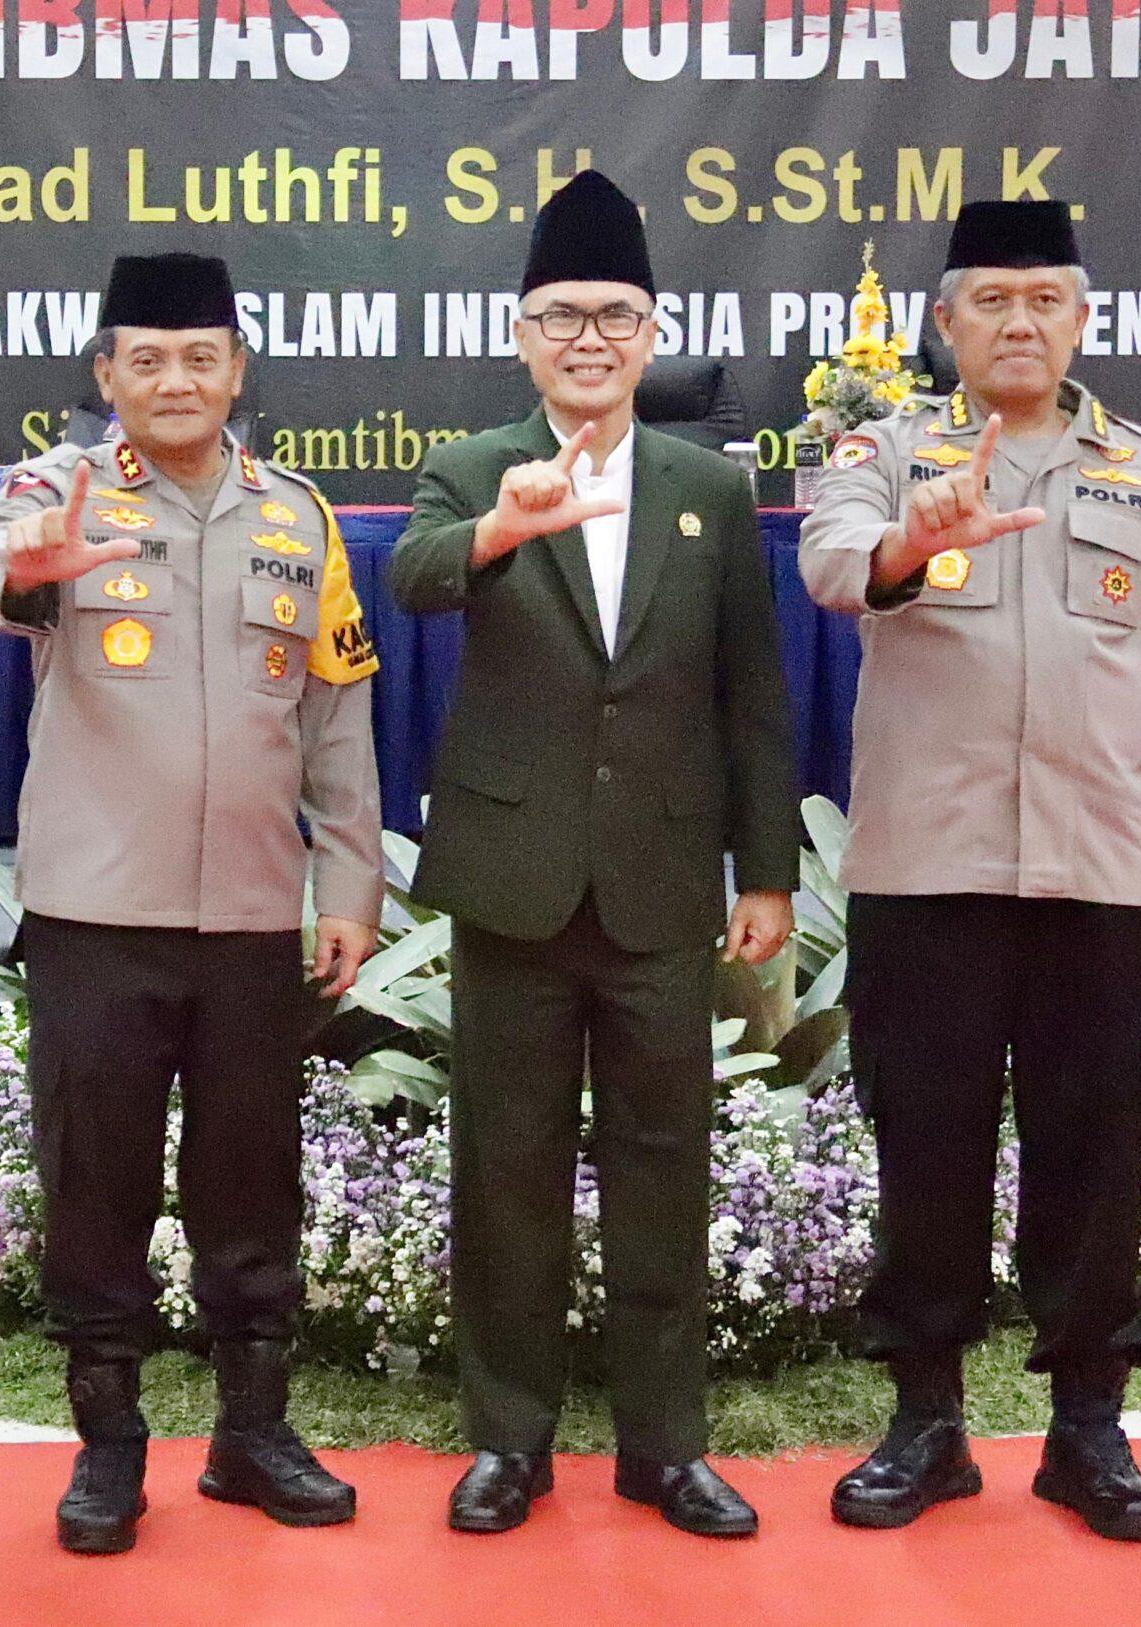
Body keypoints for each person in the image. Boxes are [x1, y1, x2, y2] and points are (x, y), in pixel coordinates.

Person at [797, 199, 1141, 1543]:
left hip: (1095, 878)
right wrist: (913, 542)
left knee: (1095, 1154)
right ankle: (925, 1421)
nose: (1019, 322)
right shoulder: (882, 450)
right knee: (926, 1147)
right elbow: (828, 567)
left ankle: (1087, 1429)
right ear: (945, 323)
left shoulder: (1136, 468)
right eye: (991, 300)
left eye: (1045, 298)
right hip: (928, 879)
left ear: (1083, 317)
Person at [0, 251, 384, 1555]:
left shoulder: (298, 518)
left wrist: (349, 882)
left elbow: (339, 719)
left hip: (253, 916)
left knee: (252, 1185)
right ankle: (110, 1446)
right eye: (148, 359)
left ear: (237, 371)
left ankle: (251, 1434)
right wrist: (30, 561)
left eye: (201, 358)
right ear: (108, 376)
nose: (177, 380)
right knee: (99, 1187)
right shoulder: (58, 491)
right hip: (97, 918)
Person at [387, 171, 803, 1539]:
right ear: (523, 333)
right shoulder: (469, 465)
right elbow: (418, 573)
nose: (588, 340)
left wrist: (767, 871)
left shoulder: (708, 488)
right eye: (561, 315)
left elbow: (752, 689)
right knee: (504, 1171)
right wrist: (511, 523)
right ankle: (509, 1441)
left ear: (650, 332)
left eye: (615, 316)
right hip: (514, 883)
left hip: (663, 883)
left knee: (661, 1163)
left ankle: (662, 1447)